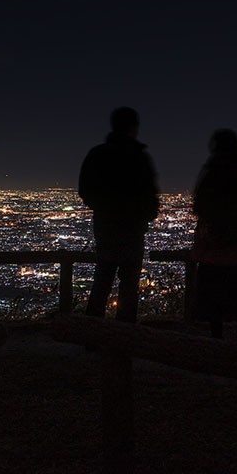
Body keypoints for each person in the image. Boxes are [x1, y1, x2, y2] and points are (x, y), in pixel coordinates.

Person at [78, 107, 160, 323]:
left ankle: (92, 336)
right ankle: (124, 340)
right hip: (133, 232)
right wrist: (142, 215)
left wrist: (103, 208)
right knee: (129, 287)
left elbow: (85, 190)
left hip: (106, 229)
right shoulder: (140, 158)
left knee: (102, 282)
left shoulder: (97, 155)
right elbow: (151, 198)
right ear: (134, 128)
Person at [191, 129, 237, 341]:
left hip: (211, 246)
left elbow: (198, 206)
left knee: (213, 294)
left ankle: (216, 337)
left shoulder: (209, 174)